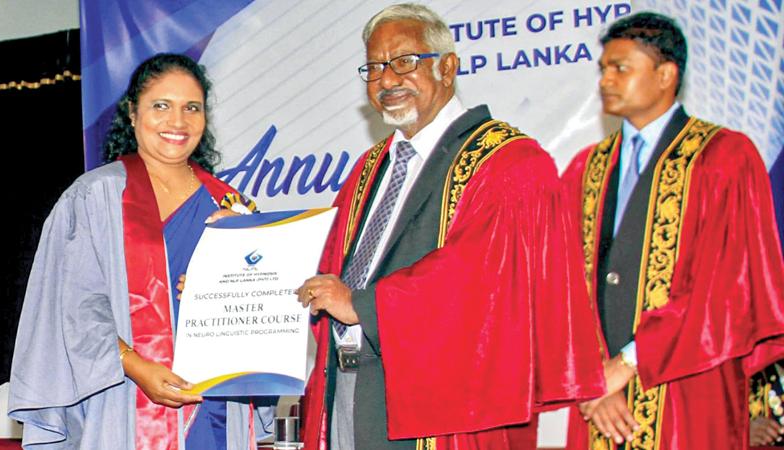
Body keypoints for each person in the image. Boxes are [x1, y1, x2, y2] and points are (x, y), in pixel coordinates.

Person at [296, 4, 605, 449]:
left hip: (444, 415)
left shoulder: (510, 164)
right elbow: (326, 274)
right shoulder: (368, 170)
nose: (386, 80)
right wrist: (242, 259)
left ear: (447, 67)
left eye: (404, 62)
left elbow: (479, 283)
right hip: (347, 392)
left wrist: (364, 306)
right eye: (374, 68)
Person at [8, 53, 272, 449]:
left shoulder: (233, 206)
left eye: (191, 108)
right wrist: (135, 365)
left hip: (215, 406)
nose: (178, 122)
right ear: (133, 113)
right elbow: (71, 306)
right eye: (161, 106)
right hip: (125, 397)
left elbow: (265, 308)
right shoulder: (96, 196)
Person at [562, 12, 784, 450]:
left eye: (620, 68)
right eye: (603, 68)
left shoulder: (723, 158)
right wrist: (593, 383)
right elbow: (561, 288)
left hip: (687, 388)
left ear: (665, 74)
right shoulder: (585, 168)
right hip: (597, 399)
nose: (606, 80)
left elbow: (726, 289)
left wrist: (626, 364)